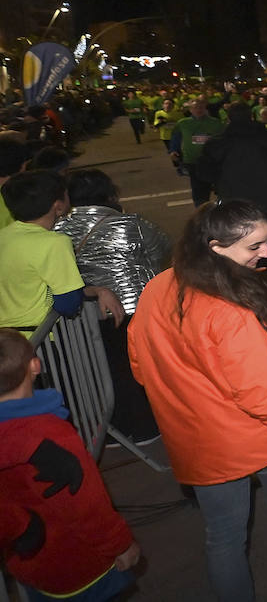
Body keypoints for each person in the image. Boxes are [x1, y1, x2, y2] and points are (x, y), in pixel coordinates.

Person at [128, 201, 267, 602]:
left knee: (223, 536)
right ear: (215, 247)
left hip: (200, 440)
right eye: (254, 246)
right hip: (265, 436)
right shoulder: (230, 311)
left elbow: (139, 359)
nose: (265, 254)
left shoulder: (160, 285)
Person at [0, 328, 141, 602]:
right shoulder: (52, 437)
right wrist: (121, 544)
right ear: (35, 365)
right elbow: (87, 504)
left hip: (28, 563)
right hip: (79, 564)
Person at [54, 168, 170, 443]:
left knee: (100, 370)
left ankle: (111, 429)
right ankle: (146, 427)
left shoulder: (58, 228)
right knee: (137, 368)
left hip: (85, 313)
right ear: (108, 193)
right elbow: (162, 249)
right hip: (133, 309)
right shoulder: (129, 223)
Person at [0, 170, 123, 330]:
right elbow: (68, 303)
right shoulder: (53, 243)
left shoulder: (4, 235)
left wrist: (97, 290)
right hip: (42, 341)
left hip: (9, 341)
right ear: (58, 207)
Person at [199, 102, 267, 285]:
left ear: (228, 118)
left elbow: (204, 172)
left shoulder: (219, 143)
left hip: (235, 206)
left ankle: (241, 289)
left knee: (237, 249)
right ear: (252, 116)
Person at [169, 97, 225, 206]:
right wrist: (173, 150)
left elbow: (224, 140)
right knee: (198, 188)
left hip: (212, 161)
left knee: (218, 186)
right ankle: (200, 210)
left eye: (201, 107)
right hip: (192, 161)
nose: (198, 110)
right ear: (190, 109)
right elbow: (176, 138)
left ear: (205, 108)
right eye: (195, 108)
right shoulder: (183, 123)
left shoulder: (216, 123)